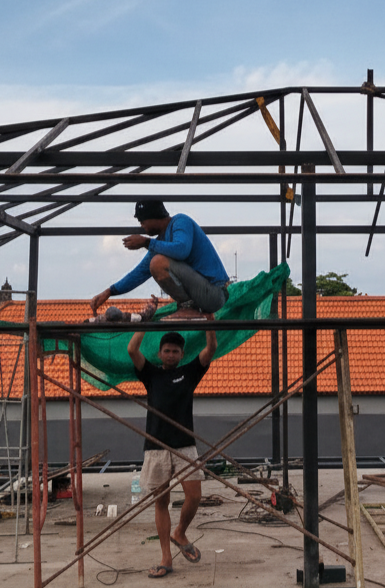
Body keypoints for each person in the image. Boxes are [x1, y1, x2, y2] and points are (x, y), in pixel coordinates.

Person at [128, 323, 217, 579]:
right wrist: (144, 322)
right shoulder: (151, 374)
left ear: (182, 354)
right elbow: (132, 349)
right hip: (156, 447)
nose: (170, 354)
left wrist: (209, 321)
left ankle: (180, 531)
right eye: (166, 350)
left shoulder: (190, 372)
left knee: (195, 495)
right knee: (162, 502)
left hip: (185, 445)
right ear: (159, 353)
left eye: (175, 351)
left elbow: (211, 348)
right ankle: (166, 558)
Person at [91, 200, 230, 321]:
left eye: (143, 221)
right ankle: (191, 308)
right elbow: (140, 272)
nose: (142, 226)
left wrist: (146, 242)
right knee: (154, 263)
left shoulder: (181, 221)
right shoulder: (161, 242)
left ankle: (188, 308)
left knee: (157, 263)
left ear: (153, 217)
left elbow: (182, 250)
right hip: (204, 294)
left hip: (214, 292)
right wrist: (110, 291)